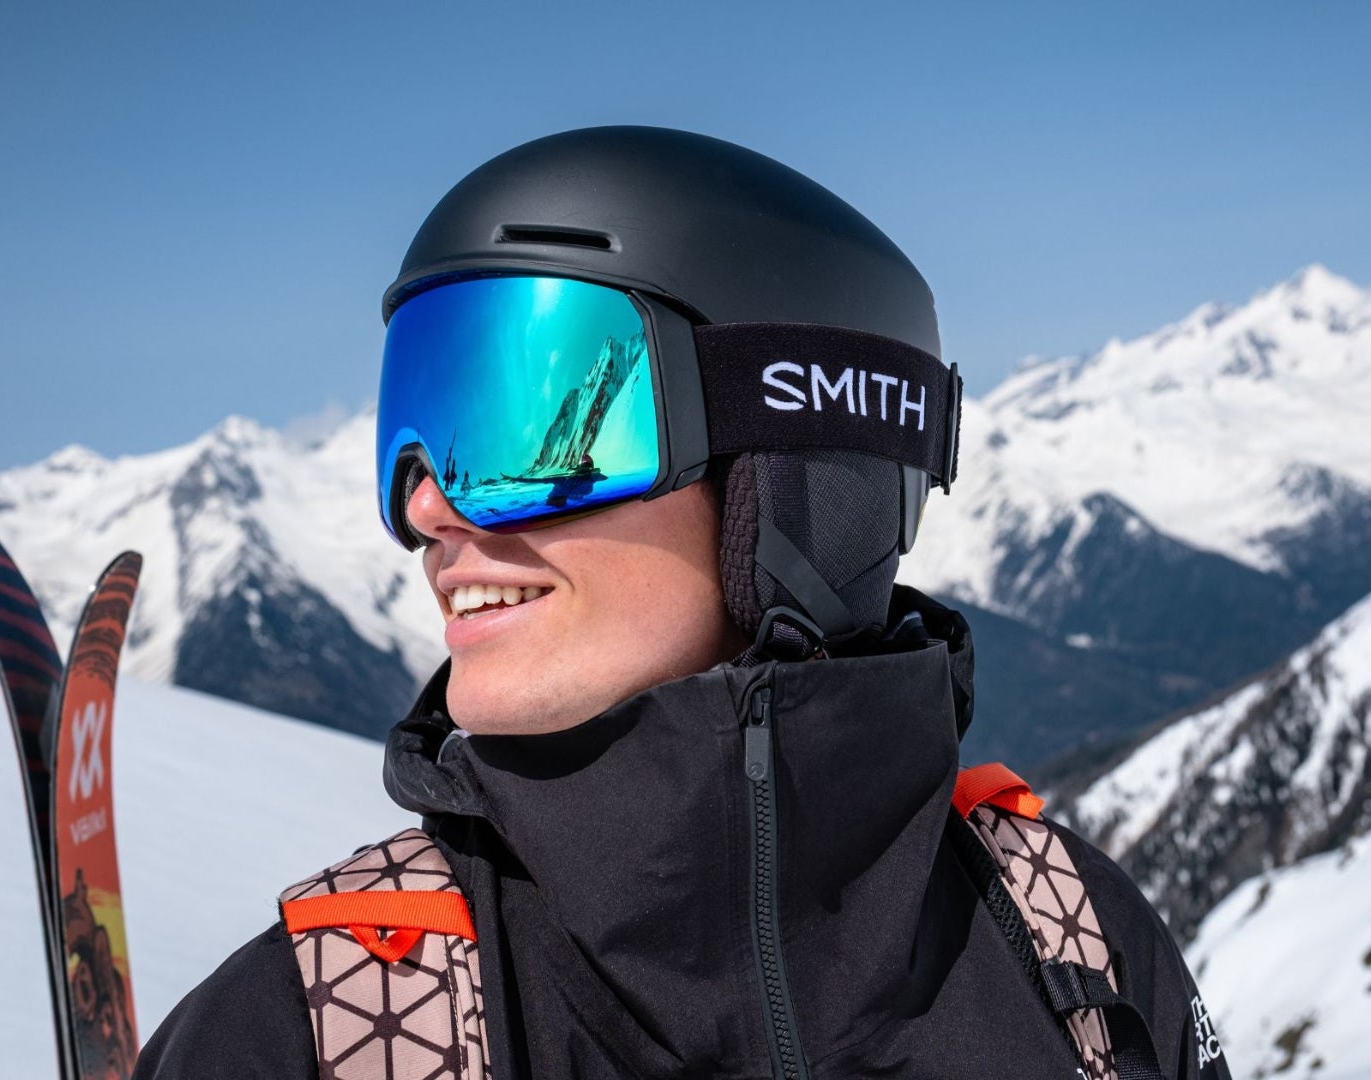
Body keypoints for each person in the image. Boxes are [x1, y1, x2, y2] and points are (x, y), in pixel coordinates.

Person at [135, 126, 1230, 1080]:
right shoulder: (317, 1032)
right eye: (412, 432)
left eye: (535, 428)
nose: (425, 503)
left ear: (792, 479)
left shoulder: (1073, 949)